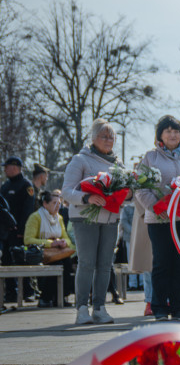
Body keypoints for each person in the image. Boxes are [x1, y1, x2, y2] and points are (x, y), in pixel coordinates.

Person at [135, 115, 180, 320]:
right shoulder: (150, 157)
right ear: (160, 135)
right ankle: (158, 306)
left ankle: (179, 307)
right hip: (160, 219)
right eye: (168, 131)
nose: (172, 134)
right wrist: (155, 206)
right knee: (161, 263)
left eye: (176, 131)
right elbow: (140, 186)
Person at [62, 119, 130, 325]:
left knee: (104, 265)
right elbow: (67, 191)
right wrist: (87, 198)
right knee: (87, 263)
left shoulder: (119, 165)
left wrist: (127, 195)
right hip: (84, 218)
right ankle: (82, 309)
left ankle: (100, 308)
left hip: (110, 219)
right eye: (104, 136)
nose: (108, 140)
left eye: (112, 137)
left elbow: (127, 193)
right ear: (93, 138)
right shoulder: (80, 160)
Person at [24, 190, 75, 308]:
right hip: (39, 253)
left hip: (57, 252)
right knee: (57, 263)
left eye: (59, 203)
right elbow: (28, 240)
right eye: (54, 203)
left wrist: (63, 242)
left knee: (66, 262)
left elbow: (66, 238)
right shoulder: (35, 217)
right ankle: (45, 298)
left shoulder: (59, 218)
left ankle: (61, 297)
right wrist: (50, 243)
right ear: (45, 204)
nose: (58, 206)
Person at [2, 156, 36, 302]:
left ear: (15, 167)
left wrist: (22, 231)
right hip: (5, 233)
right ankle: (11, 292)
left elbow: (28, 211)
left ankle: (27, 291)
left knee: (22, 260)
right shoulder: (4, 186)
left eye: (7, 166)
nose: (4, 169)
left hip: (19, 233)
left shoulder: (26, 185)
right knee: (7, 261)